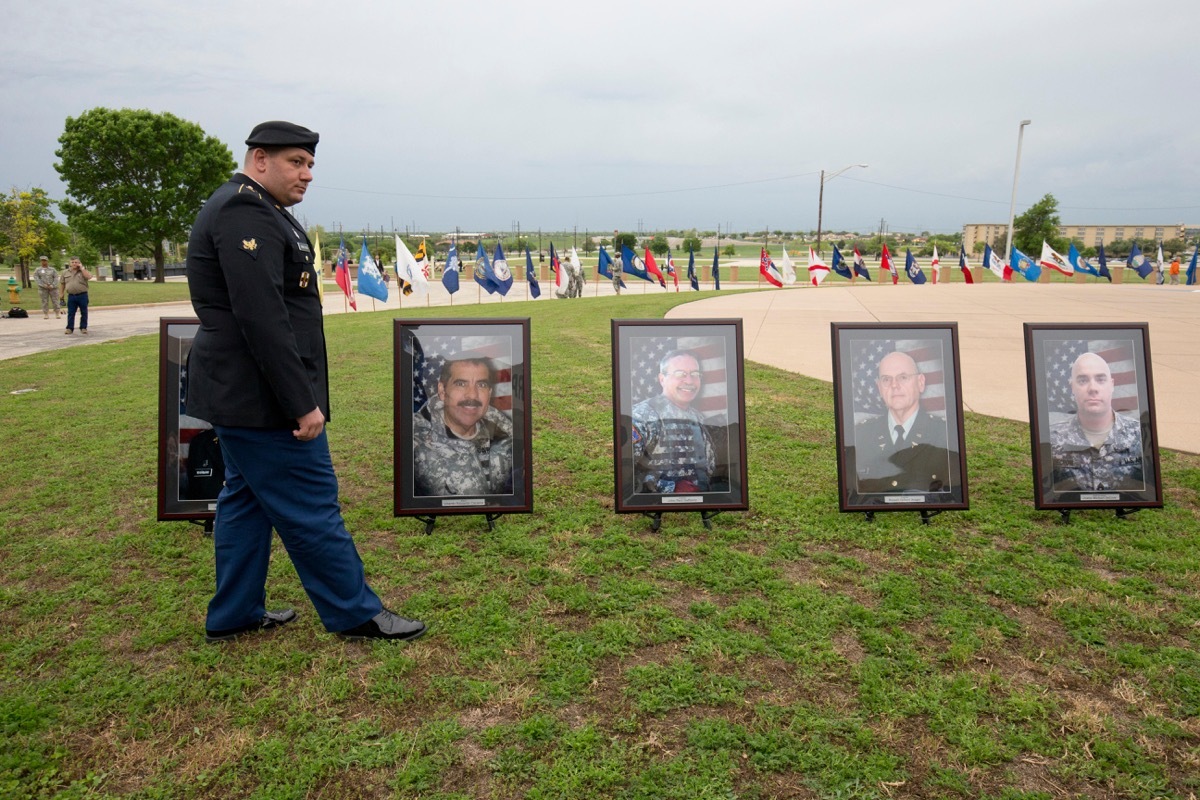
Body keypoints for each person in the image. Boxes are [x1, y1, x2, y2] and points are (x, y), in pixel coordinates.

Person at [186, 120, 425, 643]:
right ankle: (355, 613)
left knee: (245, 502)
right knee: (312, 505)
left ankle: (234, 613)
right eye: (296, 162)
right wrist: (302, 404)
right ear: (259, 159)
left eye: (311, 164)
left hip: (245, 392)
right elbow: (262, 318)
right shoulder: (243, 210)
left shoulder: (263, 210)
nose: (308, 174)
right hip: (262, 399)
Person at [412, 356, 513, 496]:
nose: (472, 395)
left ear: (489, 393)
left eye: (481, 385)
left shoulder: (508, 433)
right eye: (461, 384)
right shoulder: (414, 443)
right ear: (442, 391)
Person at [853, 350, 951, 493]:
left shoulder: (944, 433)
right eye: (886, 379)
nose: (894, 385)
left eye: (903, 377)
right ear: (879, 388)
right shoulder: (861, 434)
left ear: (920, 383)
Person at [1049, 351, 1143, 492]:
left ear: (1111, 385)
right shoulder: (1052, 438)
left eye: (1100, 379)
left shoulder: (1140, 435)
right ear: (1072, 386)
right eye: (1083, 380)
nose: (1092, 388)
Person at [631, 350, 717, 493]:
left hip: (701, 498)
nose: (689, 381)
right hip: (656, 501)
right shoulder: (642, 417)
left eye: (695, 374)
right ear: (662, 379)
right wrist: (670, 489)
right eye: (680, 374)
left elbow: (709, 467)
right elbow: (626, 473)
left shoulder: (699, 418)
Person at [60, 256, 92, 334]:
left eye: (76, 262)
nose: (74, 264)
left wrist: (82, 268)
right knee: (71, 313)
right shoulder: (65, 272)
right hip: (71, 296)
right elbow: (62, 284)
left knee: (84, 312)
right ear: (70, 263)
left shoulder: (83, 271)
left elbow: (88, 277)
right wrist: (61, 294)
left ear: (79, 263)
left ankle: (83, 327)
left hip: (82, 295)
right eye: (72, 262)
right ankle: (69, 328)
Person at [33, 256, 60, 320]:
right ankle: (46, 314)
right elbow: (36, 278)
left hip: (53, 288)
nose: (43, 262)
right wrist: (43, 285)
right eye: (42, 261)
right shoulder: (38, 270)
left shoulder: (52, 269)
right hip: (43, 288)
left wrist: (52, 285)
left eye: (45, 260)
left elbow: (56, 277)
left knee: (55, 300)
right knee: (44, 301)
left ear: (47, 261)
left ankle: (57, 313)